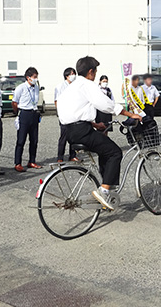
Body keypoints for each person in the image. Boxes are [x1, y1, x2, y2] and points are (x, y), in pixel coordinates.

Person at [57, 56, 142, 210]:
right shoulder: (87, 84)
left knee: (104, 150)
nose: (96, 75)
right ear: (91, 72)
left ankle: (106, 187)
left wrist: (95, 124)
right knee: (115, 152)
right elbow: (105, 104)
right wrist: (130, 114)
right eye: (95, 72)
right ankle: (104, 191)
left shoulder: (72, 87)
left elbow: (74, 111)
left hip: (70, 131)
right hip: (82, 131)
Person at [12, 67, 42, 172]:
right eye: (34, 77)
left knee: (34, 140)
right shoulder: (21, 88)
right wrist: (17, 113)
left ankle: (32, 161)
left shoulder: (36, 87)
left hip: (34, 113)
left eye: (36, 77)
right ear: (28, 78)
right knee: (21, 140)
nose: (36, 79)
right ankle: (18, 163)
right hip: (24, 113)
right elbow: (14, 102)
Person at [54, 67, 77, 163]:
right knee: (63, 136)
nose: (73, 76)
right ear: (66, 76)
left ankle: (73, 155)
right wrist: (60, 113)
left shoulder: (76, 86)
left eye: (74, 74)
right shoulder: (60, 87)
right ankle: (60, 157)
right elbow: (56, 101)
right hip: (64, 114)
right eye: (71, 74)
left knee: (74, 136)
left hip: (74, 114)